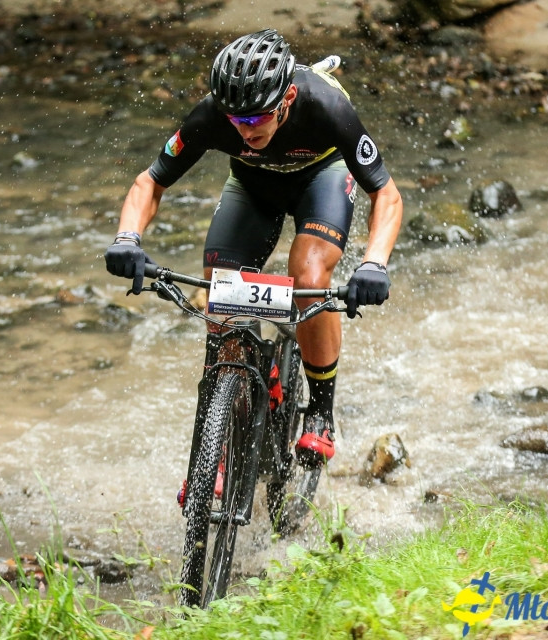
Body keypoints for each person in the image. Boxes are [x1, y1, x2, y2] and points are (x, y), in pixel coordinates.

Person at [104, 29, 403, 468]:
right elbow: (151, 181)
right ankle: (226, 435)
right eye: (235, 121)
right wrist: (127, 238)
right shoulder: (212, 115)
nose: (243, 130)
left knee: (309, 273)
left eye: (255, 119)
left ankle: (320, 411)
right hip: (252, 185)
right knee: (221, 290)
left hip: (318, 178)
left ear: (287, 99)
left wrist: (373, 263)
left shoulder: (326, 106)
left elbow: (387, 195)